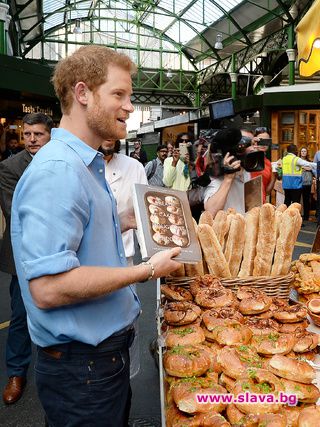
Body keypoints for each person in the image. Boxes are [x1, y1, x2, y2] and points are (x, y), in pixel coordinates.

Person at [10, 45, 181, 427]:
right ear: (83, 94)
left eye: (129, 96)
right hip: (82, 369)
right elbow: (49, 287)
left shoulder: (82, 164)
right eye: (119, 94)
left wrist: (117, 221)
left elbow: (75, 236)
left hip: (96, 362)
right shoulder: (59, 170)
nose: (130, 106)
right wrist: (147, 270)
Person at [0, 112, 53, 405]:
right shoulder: (9, 167)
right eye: (27, 134)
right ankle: (16, 373)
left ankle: (57, 368)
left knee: (57, 310)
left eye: (38, 134)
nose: (31, 140)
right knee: (20, 316)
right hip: (23, 255)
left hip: (59, 251)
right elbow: (17, 213)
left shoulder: (61, 162)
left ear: (50, 135)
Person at [100, 139, 148, 379]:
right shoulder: (76, 167)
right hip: (89, 264)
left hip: (126, 262)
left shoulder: (134, 167)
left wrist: (152, 256)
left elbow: (144, 215)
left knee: (127, 324)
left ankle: (125, 382)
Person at [282, 143, 316, 208]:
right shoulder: (296, 159)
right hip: (295, 185)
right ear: (295, 151)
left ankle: (285, 217)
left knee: (286, 202)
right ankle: (294, 217)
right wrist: (318, 165)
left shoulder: (284, 159)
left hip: (286, 185)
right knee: (295, 205)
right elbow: (308, 164)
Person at [250, 127, 276, 203]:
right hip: (246, 204)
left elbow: (267, 192)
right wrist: (250, 146)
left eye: (266, 141)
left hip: (261, 203)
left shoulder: (268, 163)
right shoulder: (247, 157)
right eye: (260, 140)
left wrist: (275, 176)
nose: (263, 144)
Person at [300, 147, 314, 221]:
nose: (303, 152)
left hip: (308, 183)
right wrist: (305, 168)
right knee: (298, 200)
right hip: (299, 182)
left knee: (306, 200)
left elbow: (312, 169)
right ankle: (298, 216)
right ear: (300, 152)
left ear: (306, 153)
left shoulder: (309, 161)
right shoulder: (297, 160)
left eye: (305, 151)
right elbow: (298, 168)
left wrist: (304, 168)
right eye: (302, 151)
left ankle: (306, 216)